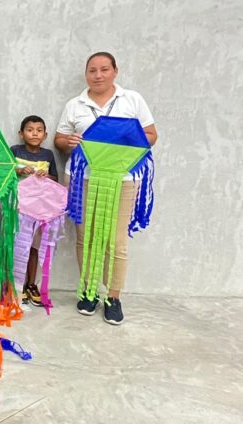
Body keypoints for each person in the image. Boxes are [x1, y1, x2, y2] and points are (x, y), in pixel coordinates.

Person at [54, 51, 158, 325]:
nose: (98, 75)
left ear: (115, 71)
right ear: (86, 74)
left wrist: (121, 139)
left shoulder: (131, 99)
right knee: (85, 237)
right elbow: (59, 140)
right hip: (82, 178)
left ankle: (113, 297)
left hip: (122, 180)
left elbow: (151, 135)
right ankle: (89, 291)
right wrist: (69, 142)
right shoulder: (75, 104)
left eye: (104, 69)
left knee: (116, 241)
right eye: (92, 70)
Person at [10, 115, 58, 308]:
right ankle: (16, 286)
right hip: (18, 208)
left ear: (45, 135)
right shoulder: (15, 151)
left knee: (33, 248)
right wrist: (19, 171)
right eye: (30, 130)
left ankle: (31, 285)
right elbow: (4, 174)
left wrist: (46, 176)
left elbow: (55, 179)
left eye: (39, 130)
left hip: (39, 211)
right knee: (16, 247)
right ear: (21, 133)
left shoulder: (48, 154)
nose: (35, 134)